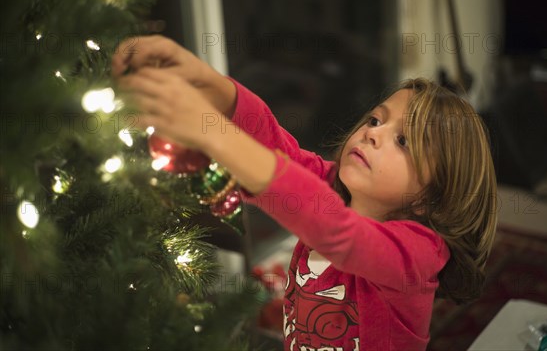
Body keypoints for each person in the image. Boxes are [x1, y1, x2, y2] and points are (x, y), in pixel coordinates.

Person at [112, 35, 497, 350]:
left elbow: (336, 230)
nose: (372, 132)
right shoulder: (334, 186)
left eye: (403, 141)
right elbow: (278, 148)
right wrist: (207, 82)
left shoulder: (417, 254)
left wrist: (213, 133)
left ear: (431, 195)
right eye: (376, 119)